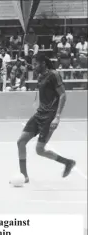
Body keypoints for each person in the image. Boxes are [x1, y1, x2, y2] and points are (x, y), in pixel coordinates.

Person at [16, 54, 76, 183]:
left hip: (50, 117)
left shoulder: (53, 75)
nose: (34, 66)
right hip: (39, 114)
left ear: (43, 63)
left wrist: (57, 117)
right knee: (21, 142)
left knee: (39, 150)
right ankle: (24, 176)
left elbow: (63, 95)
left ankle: (68, 163)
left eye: (36, 64)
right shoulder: (40, 76)